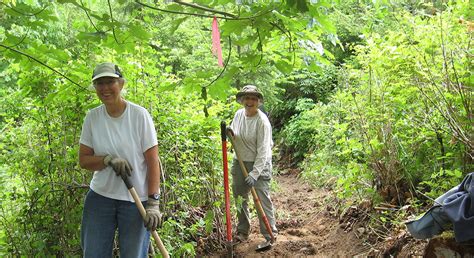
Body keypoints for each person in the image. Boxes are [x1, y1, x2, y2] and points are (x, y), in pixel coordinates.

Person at [79, 62, 162, 258]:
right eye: (100, 83)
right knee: (94, 254)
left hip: (136, 201)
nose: (105, 88)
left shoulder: (139, 115)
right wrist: (107, 160)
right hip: (100, 198)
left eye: (110, 82)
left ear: (121, 84)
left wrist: (153, 203)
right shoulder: (92, 118)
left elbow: (152, 161)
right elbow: (84, 160)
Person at [228, 85, 278, 246]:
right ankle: (242, 231)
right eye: (247, 98)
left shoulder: (262, 122)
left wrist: (255, 173)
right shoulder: (238, 115)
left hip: (260, 164)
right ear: (242, 100)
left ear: (258, 102)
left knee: (262, 200)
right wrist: (229, 133)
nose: (250, 101)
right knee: (240, 198)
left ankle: (270, 234)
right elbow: (235, 135)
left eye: (253, 99)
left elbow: (263, 150)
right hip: (240, 161)